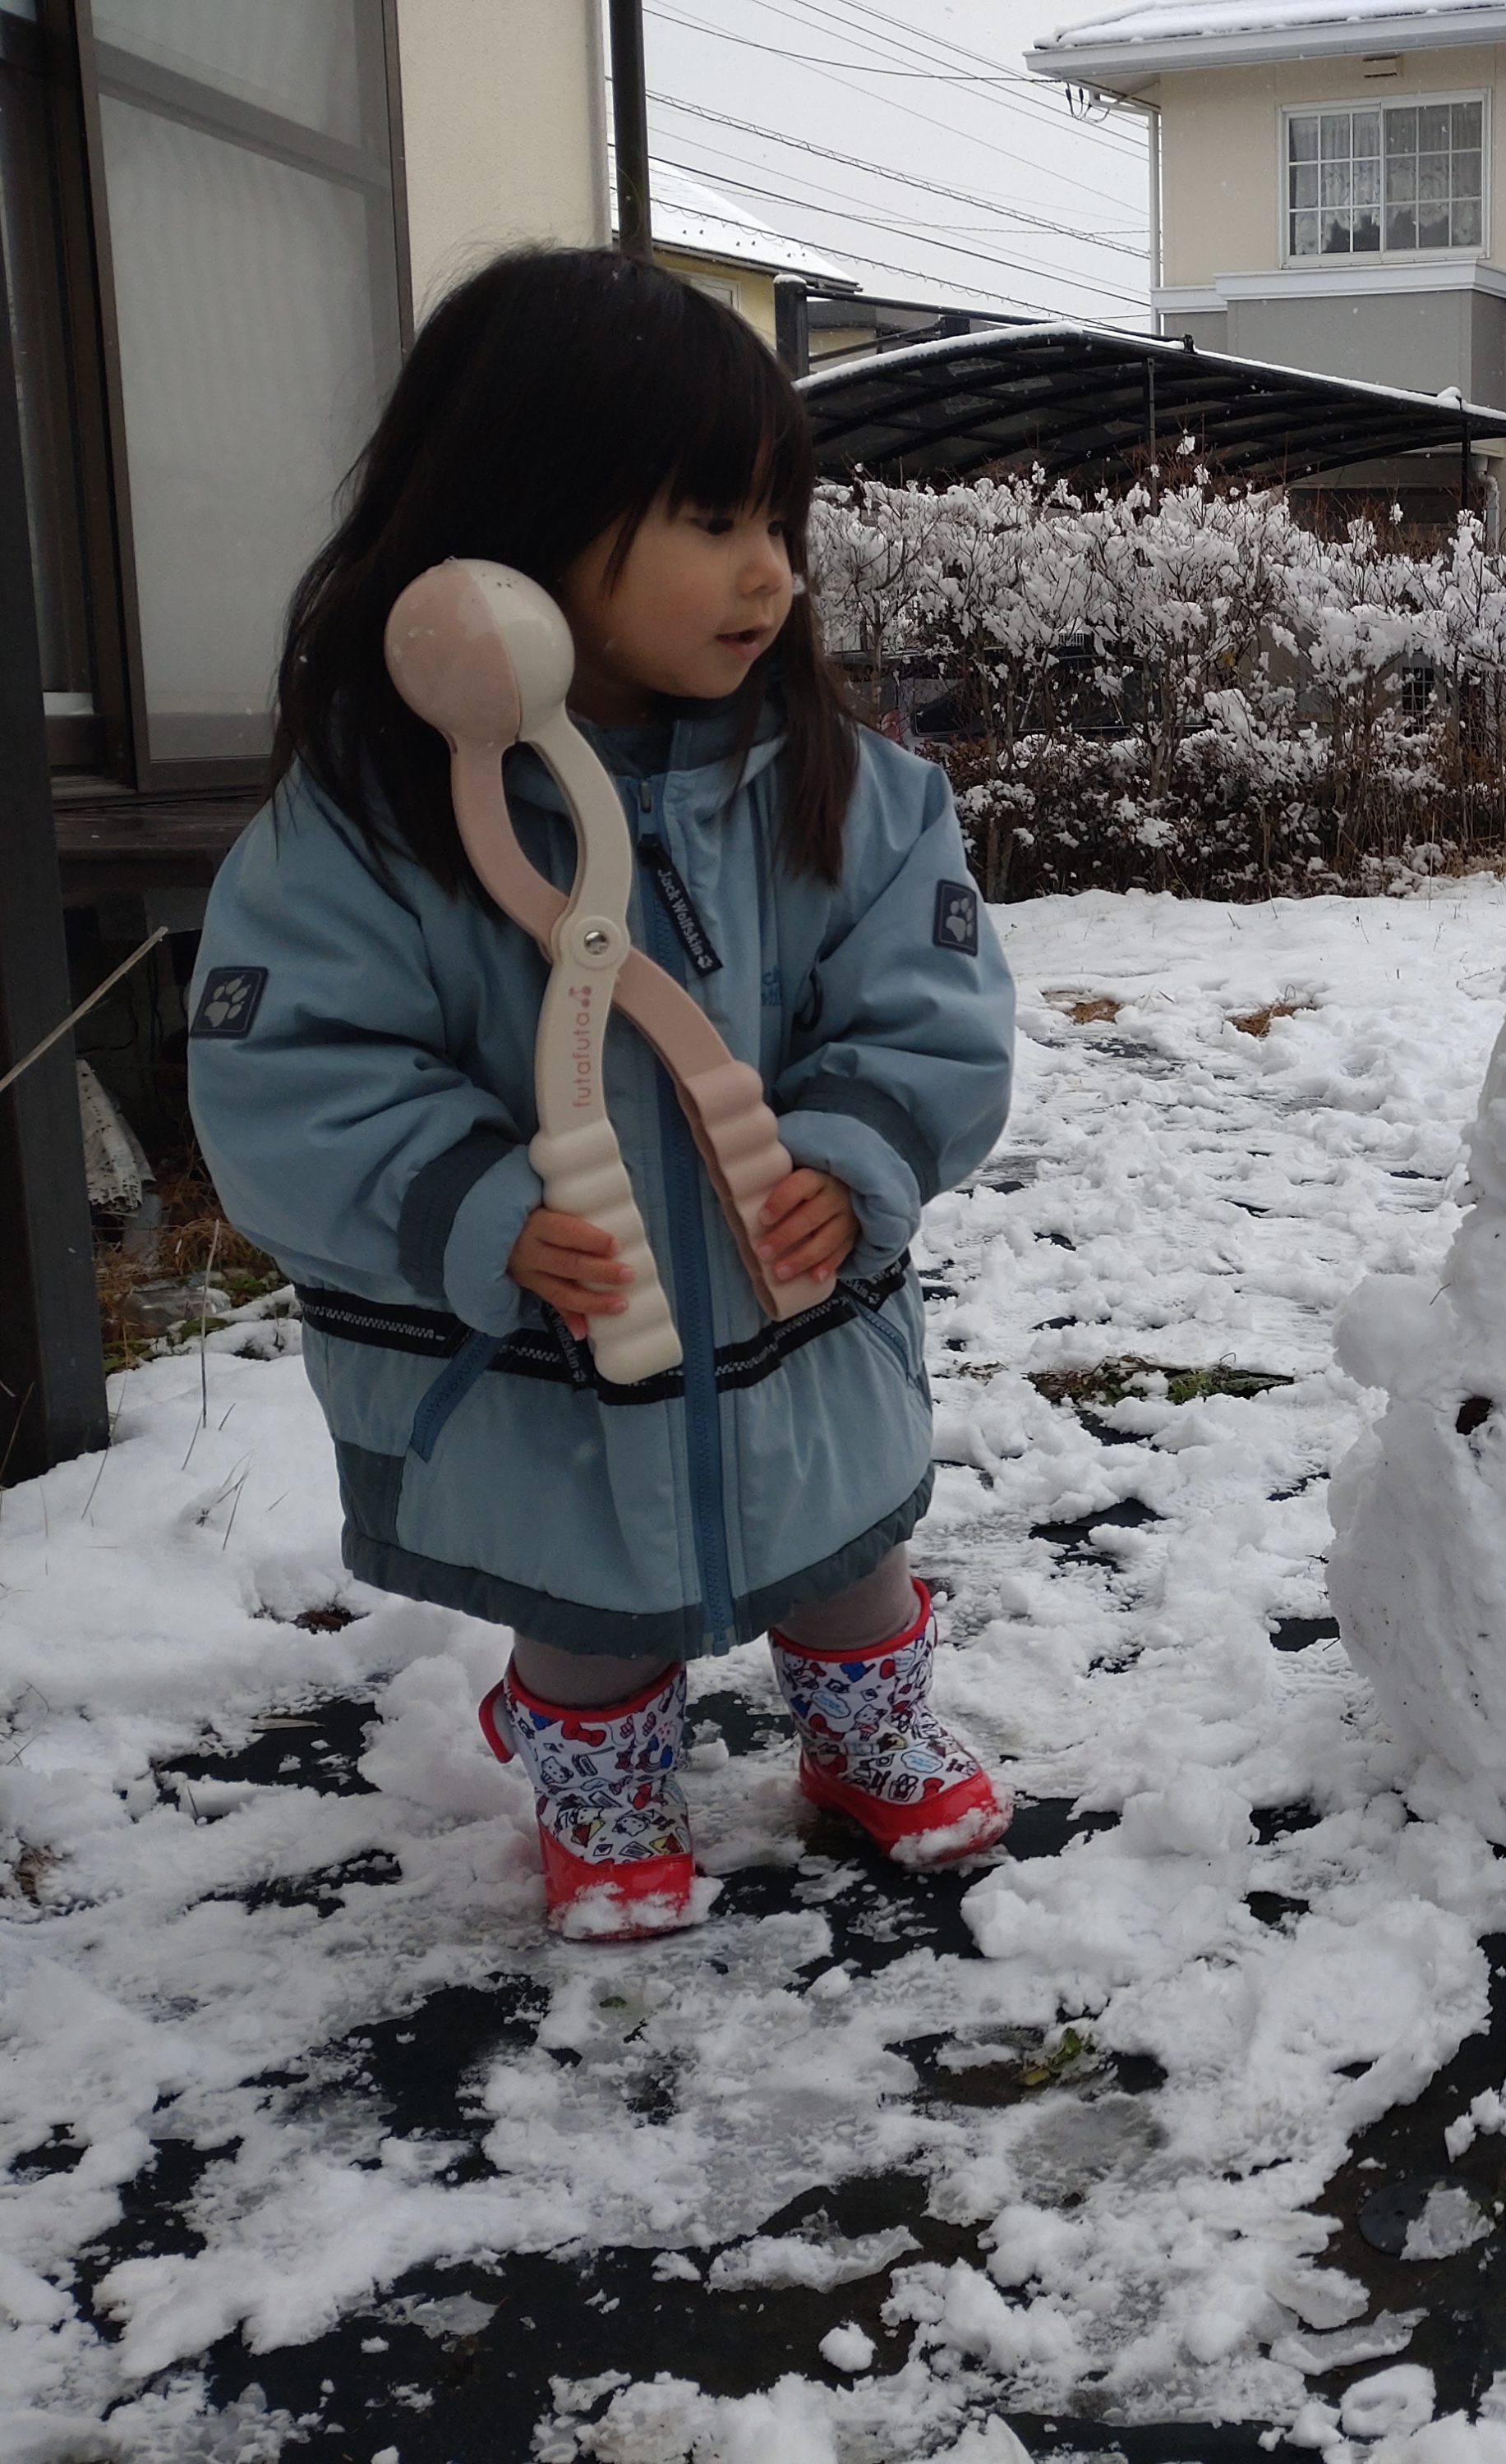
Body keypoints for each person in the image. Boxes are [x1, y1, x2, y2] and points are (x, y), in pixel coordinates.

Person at [188, 249, 1018, 1941]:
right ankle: (599, 1778)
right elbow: (296, 1072)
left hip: (797, 1308)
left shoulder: (852, 795)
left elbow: (928, 1009)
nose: (767, 575)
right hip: (541, 1342)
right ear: (520, 517)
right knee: (586, 1584)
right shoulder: (370, 822)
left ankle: (862, 1736)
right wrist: (479, 1208)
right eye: (713, 521)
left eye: (782, 527)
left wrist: (858, 1155)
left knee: (846, 1546)